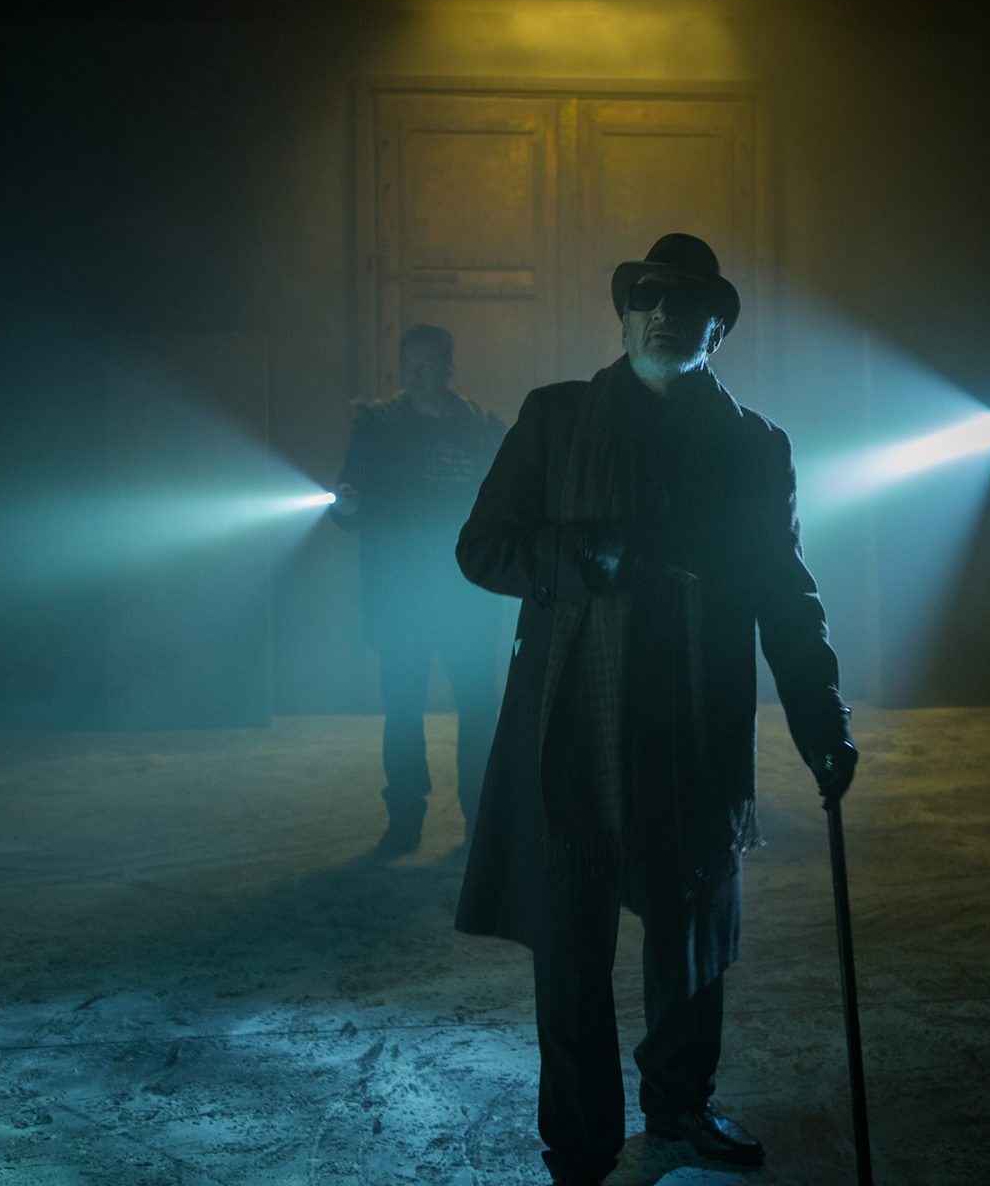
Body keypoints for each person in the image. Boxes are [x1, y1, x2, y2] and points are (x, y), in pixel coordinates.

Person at [453, 234, 857, 1185]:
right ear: (626, 315)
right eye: (647, 299)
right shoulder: (557, 419)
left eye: (687, 304)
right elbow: (482, 548)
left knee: (691, 933)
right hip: (575, 725)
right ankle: (581, 1145)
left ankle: (679, 1110)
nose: (664, 315)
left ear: (718, 330)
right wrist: (576, 554)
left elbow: (784, 594)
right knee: (572, 949)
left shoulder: (752, 445)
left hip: (692, 722)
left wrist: (823, 722)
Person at [329, 323, 507, 854]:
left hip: (465, 593)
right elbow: (352, 499)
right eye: (410, 365)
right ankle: (405, 818)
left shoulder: (482, 429)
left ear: (448, 368)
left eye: (428, 364)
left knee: (478, 708)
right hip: (403, 593)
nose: (418, 375)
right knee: (404, 708)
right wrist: (348, 507)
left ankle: (479, 820)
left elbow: (505, 502)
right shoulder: (378, 427)